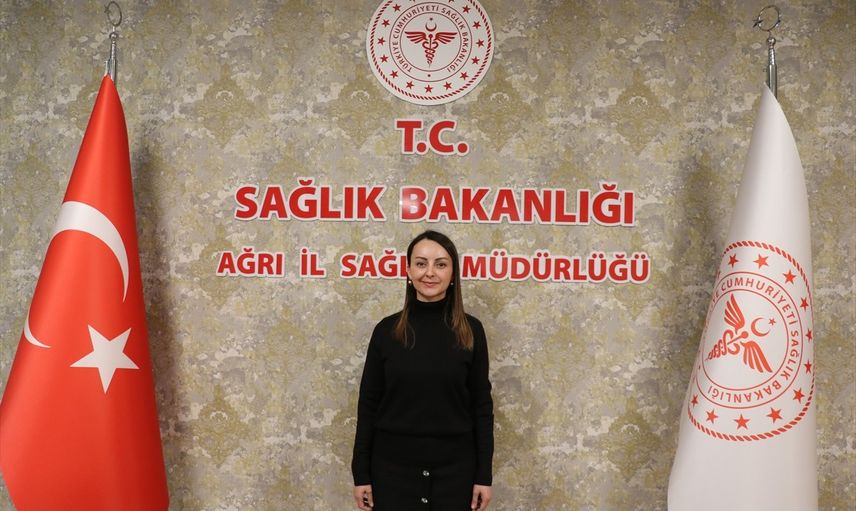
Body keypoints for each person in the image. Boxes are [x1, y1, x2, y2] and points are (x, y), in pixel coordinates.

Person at [351, 230, 494, 511]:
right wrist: (361, 473)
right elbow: (368, 404)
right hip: (391, 471)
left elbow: (481, 406)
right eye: (420, 263)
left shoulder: (471, 331)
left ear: (453, 274)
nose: (430, 272)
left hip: (456, 472)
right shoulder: (386, 331)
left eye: (440, 264)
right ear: (408, 271)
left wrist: (484, 476)